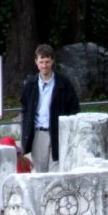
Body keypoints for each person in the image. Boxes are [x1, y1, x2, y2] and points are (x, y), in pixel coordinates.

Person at [20, 44, 80, 172]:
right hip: (39, 133)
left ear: (52, 61)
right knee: (41, 173)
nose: (44, 65)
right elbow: (25, 108)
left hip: (58, 132)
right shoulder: (30, 84)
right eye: (41, 62)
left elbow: (74, 109)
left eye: (47, 61)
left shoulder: (64, 84)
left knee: (57, 171)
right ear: (36, 62)